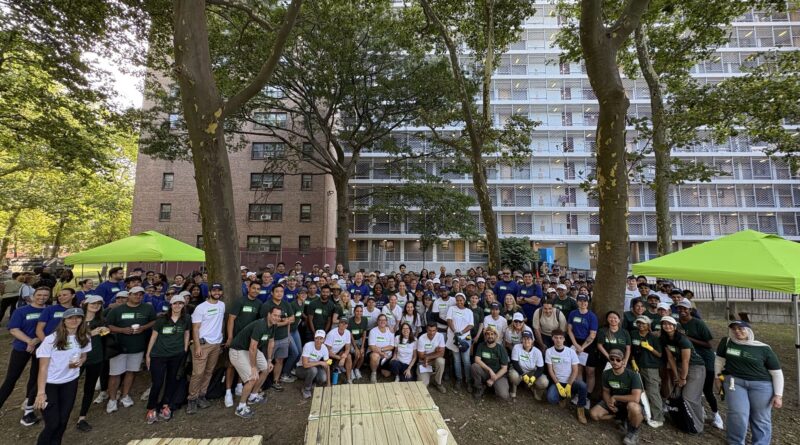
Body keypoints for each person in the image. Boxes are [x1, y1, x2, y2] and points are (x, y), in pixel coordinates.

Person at [715, 320, 783, 445]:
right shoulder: (727, 342)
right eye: (734, 328)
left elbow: (776, 372)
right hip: (734, 382)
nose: (737, 331)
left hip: (761, 386)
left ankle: (761, 443)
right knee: (738, 414)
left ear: (749, 330)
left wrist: (778, 395)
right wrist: (718, 378)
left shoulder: (763, 348)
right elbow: (719, 361)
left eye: (741, 328)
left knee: (761, 418)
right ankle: (735, 442)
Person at [33, 307, 91, 445]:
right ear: (64, 321)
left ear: (82, 320)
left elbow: (84, 355)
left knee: (63, 421)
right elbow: (43, 367)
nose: (74, 320)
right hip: (50, 384)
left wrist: (81, 361)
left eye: (78, 317)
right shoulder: (51, 339)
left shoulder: (85, 336)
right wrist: (41, 393)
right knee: (53, 423)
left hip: (70, 382)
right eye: (70, 318)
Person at [0, 285, 47, 427]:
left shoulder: (49, 311)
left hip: (42, 350)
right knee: (11, 378)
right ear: (33, 296)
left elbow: (51, 329)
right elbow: (14, 329)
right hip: (22, 348)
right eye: (39, 295)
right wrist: (29, 341)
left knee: (34, 379)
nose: (42, 298)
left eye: (45, 295)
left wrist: (37, 340)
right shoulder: (22, 311)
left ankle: (28, 411)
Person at [104, 286, 156, 413]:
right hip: (119, 347)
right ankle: (112, 399)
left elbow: (154, 321)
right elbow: (108, 326)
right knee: (115, 374)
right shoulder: (118, 310)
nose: (138, 297)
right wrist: (122, 330)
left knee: (131, 372)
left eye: (140, 295)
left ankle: (125, 395)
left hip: (137, 346)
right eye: (135, 294)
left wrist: (144, 327)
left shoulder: (147, 308)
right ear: (129, 295)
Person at [144, 293, 191, 424]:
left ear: (184, 305)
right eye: (175, 303)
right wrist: (148, 355)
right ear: (171, 305)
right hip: (159, 355)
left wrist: (185, 348)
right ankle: (151, 407)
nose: (178, 306)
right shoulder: (162, 319)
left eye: (180, 303)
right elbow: (153, 337)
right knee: (157, 382)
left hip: (176, 354)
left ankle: (166, 405)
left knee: (171, 381)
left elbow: (187, 333)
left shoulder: (186, 318)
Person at [676, 300, 722, 429]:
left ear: (690, 310)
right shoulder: (678, 324)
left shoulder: (698, 323)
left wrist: (688, 338)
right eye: (679, 308)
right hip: (691, 361)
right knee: (694, 390)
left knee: (707, 390)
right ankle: (699, 412)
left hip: (706, 361)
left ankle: (716, 414)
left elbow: (708, 344)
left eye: (685, 308)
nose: (682, 311)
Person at [227, 307, 277, 418]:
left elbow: (271, 343)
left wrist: (269, 360)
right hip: (238, 350)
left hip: (249, 349)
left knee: (266, 368)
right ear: (269, 314)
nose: (276, 318)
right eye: (275, 315)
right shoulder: (260, 325)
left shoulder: (273, 326)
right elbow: (253, 347)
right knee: (252, 377)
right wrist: (253, 367)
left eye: (279, 316)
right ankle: (241, 407)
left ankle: (253, 396)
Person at [660, 315, 705, 434]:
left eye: (670, 324)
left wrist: (683, 378)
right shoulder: (665, 338)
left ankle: (697, 426)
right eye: (664, 324)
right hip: (680, 366)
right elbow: (670, 358)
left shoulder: (682, 339)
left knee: (689, 397)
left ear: (675, 326)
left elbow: (686, 361)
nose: (667, 326)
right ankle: (683, 421)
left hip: (695, 367)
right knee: (676, 394)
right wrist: (676, 375)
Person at [589, 349, 644, 445]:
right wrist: (609, 403)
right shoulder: (606, 374)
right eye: (612, 359)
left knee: (634, 407)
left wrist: (615, 397)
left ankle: (633, 432)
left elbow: (636, 398)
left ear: (623, 361)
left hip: (629, 403)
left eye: (618, 360)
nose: (615, 362)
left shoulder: (633, 375)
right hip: (615, 403)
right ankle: (619, 418)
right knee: (594, 414)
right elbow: (606, 392)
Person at [187, 283, 226, 414]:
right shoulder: (200, 308)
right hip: (203, 344)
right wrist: (197, 346)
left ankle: (202, 395)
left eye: (219, 290)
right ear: (209, 292)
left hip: (216, 344)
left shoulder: (222, 305)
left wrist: (220, 340)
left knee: (209, 371)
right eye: (214, 290)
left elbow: (220, 322)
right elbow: (195, 328)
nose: (217, 292)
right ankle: (192, 399)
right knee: (197, 373)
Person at [223, 281, 263, 407]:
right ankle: (228, 392)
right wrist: (230, 337)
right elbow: (231, 319)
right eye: (254, 288)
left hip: (249, 340)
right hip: (235, 339)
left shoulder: (259, 304)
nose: (256, 290)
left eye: (258, 289)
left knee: (244, 363)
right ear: (248, 288)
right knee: (231, 365)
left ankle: (239, 386)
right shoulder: (240, 301)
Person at [75, 295, 107, 432]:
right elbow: (69, 336)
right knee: (71, 385)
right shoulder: (76, 319)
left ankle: (82, 417)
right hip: (76, 358)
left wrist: (105, 332)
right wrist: (90, 333)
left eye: (99, 304)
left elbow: (104, 337)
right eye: (93, 303)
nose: (96, 305)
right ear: (86, 304)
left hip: (95, 357)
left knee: (89, 388)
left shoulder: (101, 320)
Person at [545, 328, 588, 423]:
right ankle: (562, 397)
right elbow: (550, 370)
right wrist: (558, 384)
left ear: (564, 339)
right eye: (556, 338)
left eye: (561, 338)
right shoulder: (549, 352)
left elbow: (575, 370)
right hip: (558, 382)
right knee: (551, 398)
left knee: (583, 386)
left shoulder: (571, 352)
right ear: (552, 338)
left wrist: (569, 384)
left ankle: (580, 409)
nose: (558, 340)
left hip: (570, 382)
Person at [630, 315, 664, 428]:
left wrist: (650, 348)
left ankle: (658, 418)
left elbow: (660, 354)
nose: (641, 325)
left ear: (648, 325)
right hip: (636, 366)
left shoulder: (653, 338)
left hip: (650, 367)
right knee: (639, 392)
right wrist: (633, 361)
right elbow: (631, 350)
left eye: (643, 323)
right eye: (639, 323)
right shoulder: (633, 334)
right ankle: (645, 414)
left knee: (653, 392)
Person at [261, 285, 295, 391]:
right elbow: (267, 323)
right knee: (266, 361)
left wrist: (287, 333)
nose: (279, 293)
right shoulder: (266, 305)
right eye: (277, 291)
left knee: (279, 360)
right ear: (272, 293)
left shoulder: (286, 304)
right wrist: (284, 321)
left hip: (284, 337)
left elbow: (292, 318)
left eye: (281, 291)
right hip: (271, 339)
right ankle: (262, 384)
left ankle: (276, 381)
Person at [567, 294, 598, 403]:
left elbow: (592, 334)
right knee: (578, 369)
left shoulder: (592, 316)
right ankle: (579, 393)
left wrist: (582, 347)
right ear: (577, 302)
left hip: (588, 345)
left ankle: (587, 396)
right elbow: (569, 329)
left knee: (590, 371)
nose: (583, 303)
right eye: (580, 301)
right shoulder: (573, 313)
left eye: (585, 301)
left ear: (588, 303)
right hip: (575, 342)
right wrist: (576, 345)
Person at [471, 325, 510, 401]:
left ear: (496, 336)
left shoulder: (501, 349)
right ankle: (479, 388)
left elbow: (504, 368)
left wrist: (493, 379)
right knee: (474, 366)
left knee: (504, 395)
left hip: (498, 375)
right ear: (485, 336)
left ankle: (492, 387)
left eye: (492, 334)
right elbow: (477, 359)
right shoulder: (481, 345)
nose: (490, 336)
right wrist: (489, 370)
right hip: (485, 372)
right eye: (487, 334)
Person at [508, 331, 548, 400]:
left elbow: (540, 368)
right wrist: (523, 374)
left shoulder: (537, 352)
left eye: (528, 339)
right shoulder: (516, 347)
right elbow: (515, 363)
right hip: (519, 371)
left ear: (532, 341)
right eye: (524, 339)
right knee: (513, 376)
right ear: (521, 340)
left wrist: (534, 378)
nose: (526, 341)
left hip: (531, 371)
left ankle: (535, 389)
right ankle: (513, 389)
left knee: (544, 382)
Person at [446, 293, 474, 391]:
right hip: (454, 338)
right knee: (456, 360)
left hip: (465, 338)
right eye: (457, 300)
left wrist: (461, 332)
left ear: (464, 300)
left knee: (466, 360)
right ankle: (459, 379)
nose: (459, 302)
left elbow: (471, 325)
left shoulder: (469, 311)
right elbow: (449, 320)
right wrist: (455, 332)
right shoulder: (452, 309)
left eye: (461, 300)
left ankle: (468, 381)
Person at [297, 330, 331, 399]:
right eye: (317, 338)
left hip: (314, 366)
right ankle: (306, 389)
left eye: (321, 338)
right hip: (300, 369)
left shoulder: (324, 348)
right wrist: (320, 362)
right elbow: (305, 364)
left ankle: (311, 382)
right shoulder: (308, 345)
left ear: (324, 339)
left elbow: (327, 365)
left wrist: (328, 383)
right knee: (313, 370)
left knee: (323, 378)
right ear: (314, 338)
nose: (318, 340)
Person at [417, 322, 446, 393]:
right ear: (426, 330)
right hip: (423, 363)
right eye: (429, 330)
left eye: (434, 330)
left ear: (436, 330)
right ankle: (430, 376)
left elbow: (442, 353)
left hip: (432, 360)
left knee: (441, 361)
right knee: (422, 386)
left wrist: (427, 357)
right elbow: (421, 356)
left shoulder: (440, 336)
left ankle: (438, 382)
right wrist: (435, 353)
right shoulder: (421, 338)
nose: (432, 333)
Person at [324, 317, 353, 384]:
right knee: (325, 376)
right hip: (328, 357)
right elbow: (327, 352)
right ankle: (333, 370)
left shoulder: (348, 333)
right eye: (341, 322)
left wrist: (344, 356)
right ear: (338, 324)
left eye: (345, 323)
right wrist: (340, 358)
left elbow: (348, 348)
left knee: (348, 356)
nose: (343, 325)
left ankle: (349, 378)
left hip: (338, 354)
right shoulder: (332, 334)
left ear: (347, 325)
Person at [368, 314, 395, 383]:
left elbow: (392, 346)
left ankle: (378, 367)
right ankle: (373, 373)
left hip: (386, 354)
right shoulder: (373, 331)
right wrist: (381, 353)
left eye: (384, 320)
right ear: (377, 321)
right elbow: (372, 346)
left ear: (386, 321)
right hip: (375, 352)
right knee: (375, 356)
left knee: (387, 374)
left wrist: (382, 349)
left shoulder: (391, 331)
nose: (382, 321)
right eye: (380, 320)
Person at [348, 305, 368, 380]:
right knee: (357, 354)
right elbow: (350, 335)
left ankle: (357, 369)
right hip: (351, 341)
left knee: (362, 355)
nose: (359, 313)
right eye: (357, 311)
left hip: (360, 340)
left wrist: (362, 347)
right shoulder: (350, 320)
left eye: (361, 311)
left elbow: (364, 333)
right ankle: (351, 370)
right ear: (354, 312)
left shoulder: (365, 319)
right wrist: (356, 348)